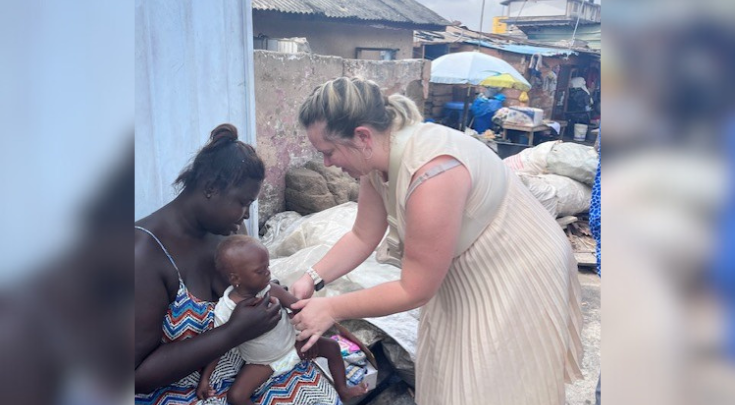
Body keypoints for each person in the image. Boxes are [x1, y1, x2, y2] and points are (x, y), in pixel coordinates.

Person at [289, 77, 584, 405]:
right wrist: (311, 278)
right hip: (463, 266)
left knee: (492, 382)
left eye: (328, 152)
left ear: (362, 136)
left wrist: (331, 308)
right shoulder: (375, 163)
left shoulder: (433, 171)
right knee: (448, 369)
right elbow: (362, 235)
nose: (327, 163)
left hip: (517, 266)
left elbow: (414, 289)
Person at [135, 124, 284, 404]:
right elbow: (135, 375)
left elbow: (247, 291)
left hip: (239, 373)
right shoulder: (142, 254)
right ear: (211, 188)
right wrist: (233, 332)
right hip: (174, 394)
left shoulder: (228, 233)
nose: (247, 215)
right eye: (243, 202)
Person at [197, 235, 367, 404]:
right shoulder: (225, 310)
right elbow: (219, 346)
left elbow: (300, 309)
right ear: (235, 278)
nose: (268, 273)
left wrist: (308, 337)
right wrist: (205, 379)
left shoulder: (271, 290)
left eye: (268, 267)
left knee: (332, 347)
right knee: (236, 397)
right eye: (260, 271)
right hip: (263, 364)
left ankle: (343, 390)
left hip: (294, 346)